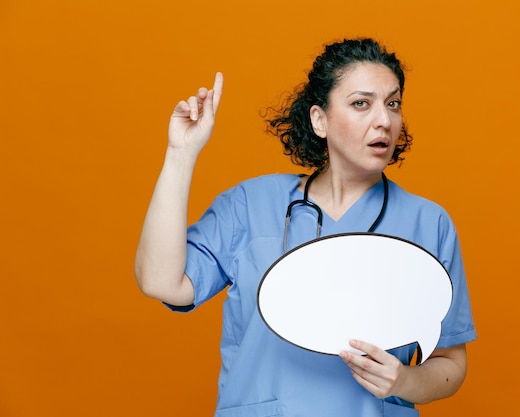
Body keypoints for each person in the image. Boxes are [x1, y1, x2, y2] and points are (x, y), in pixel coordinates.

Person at [135, 38, 476, 417]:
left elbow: (450, 361)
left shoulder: (428, 223)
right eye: (361, 103)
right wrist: (181, 155)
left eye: (392, 104)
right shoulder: (251, 205)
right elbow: (161, 283)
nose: (384, 120)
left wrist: (405, 382)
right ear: (320, 119)